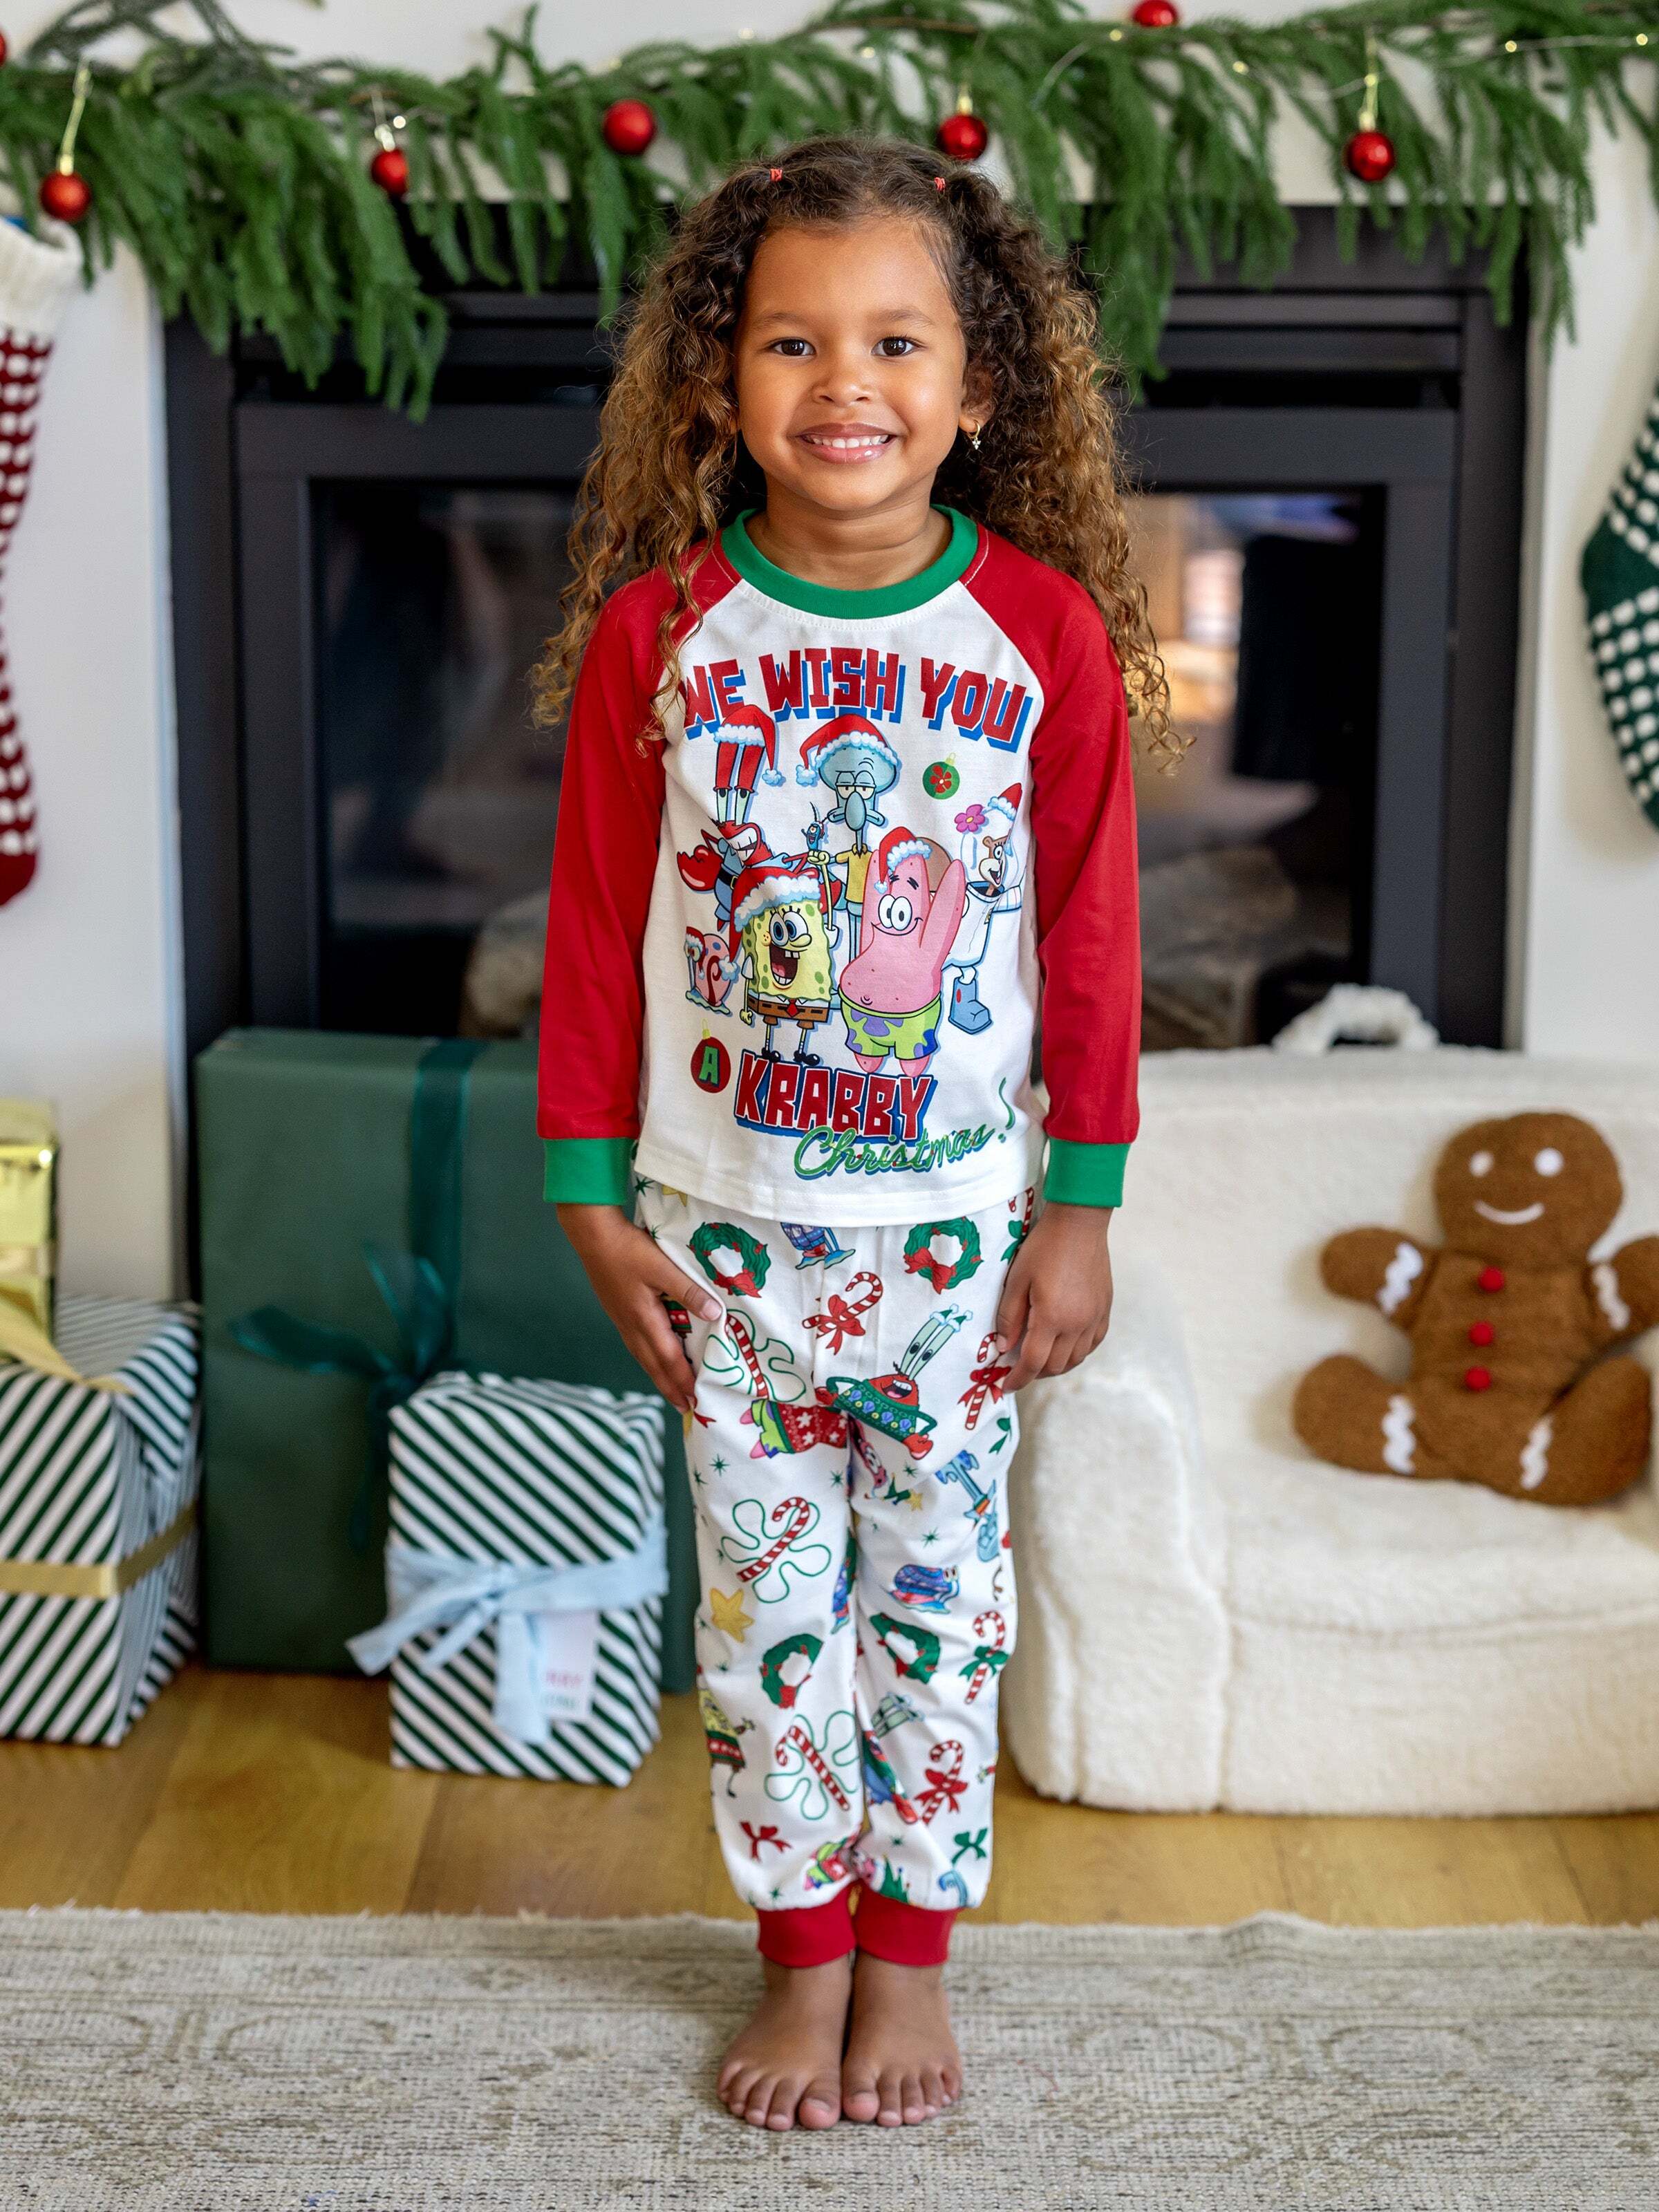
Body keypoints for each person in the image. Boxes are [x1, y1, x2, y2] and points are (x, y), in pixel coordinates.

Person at [533, 135, 1169, 2134]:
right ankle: (800, 1959)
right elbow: (593, 933)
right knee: (766, 1623)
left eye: (898, 341)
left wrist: (1082, 1205)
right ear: (720, 381)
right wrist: (585, 1192)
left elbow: (1090, 939)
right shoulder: (662, 637)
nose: (845, 384)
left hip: (959, 1246)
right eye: (791, 341)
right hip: (727, 1233)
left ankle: (911, 1961)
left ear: (980, 388)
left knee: (940, 1621)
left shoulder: (1042, 636)